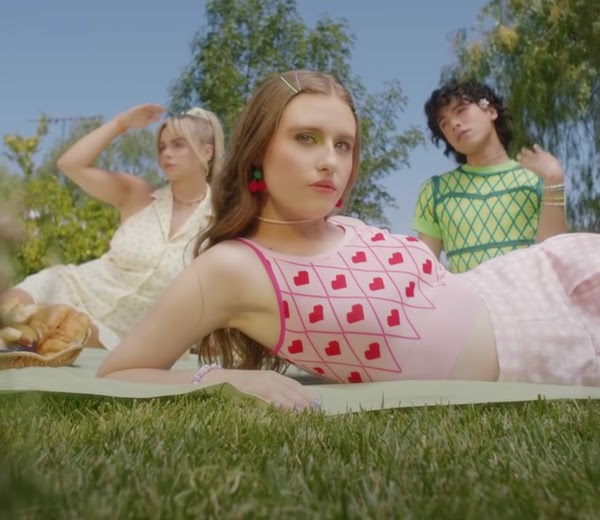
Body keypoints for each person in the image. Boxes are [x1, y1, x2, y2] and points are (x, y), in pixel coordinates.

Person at [98, 71, 600, 411]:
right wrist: (230, 379)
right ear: (258, 152)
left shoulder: (351, 226)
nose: (331, 161)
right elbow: (121, 371)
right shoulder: (232, 267)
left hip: (528, 284)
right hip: (533, 344)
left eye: (344, 145)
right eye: (306, 138)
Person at [0, 103, 224, 349]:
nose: (166, 153)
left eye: (178, 144)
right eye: (162, 146)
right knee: (7, 316)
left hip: (117, 336)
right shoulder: (139, 195)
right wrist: (122, 123)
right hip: (70, 288)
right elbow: (70, 164)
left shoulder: (220, 222)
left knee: (58, 340)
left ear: (207, 152)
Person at [412, 79, 568, 272]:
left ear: (491, 111)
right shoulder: (435, 191)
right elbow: (425, 273)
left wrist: (553, 181)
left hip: (529, 299)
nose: (454, 124)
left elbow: (554, 258)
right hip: (469, 301)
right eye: (444, 124)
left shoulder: (537, 178)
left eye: (461, 110)